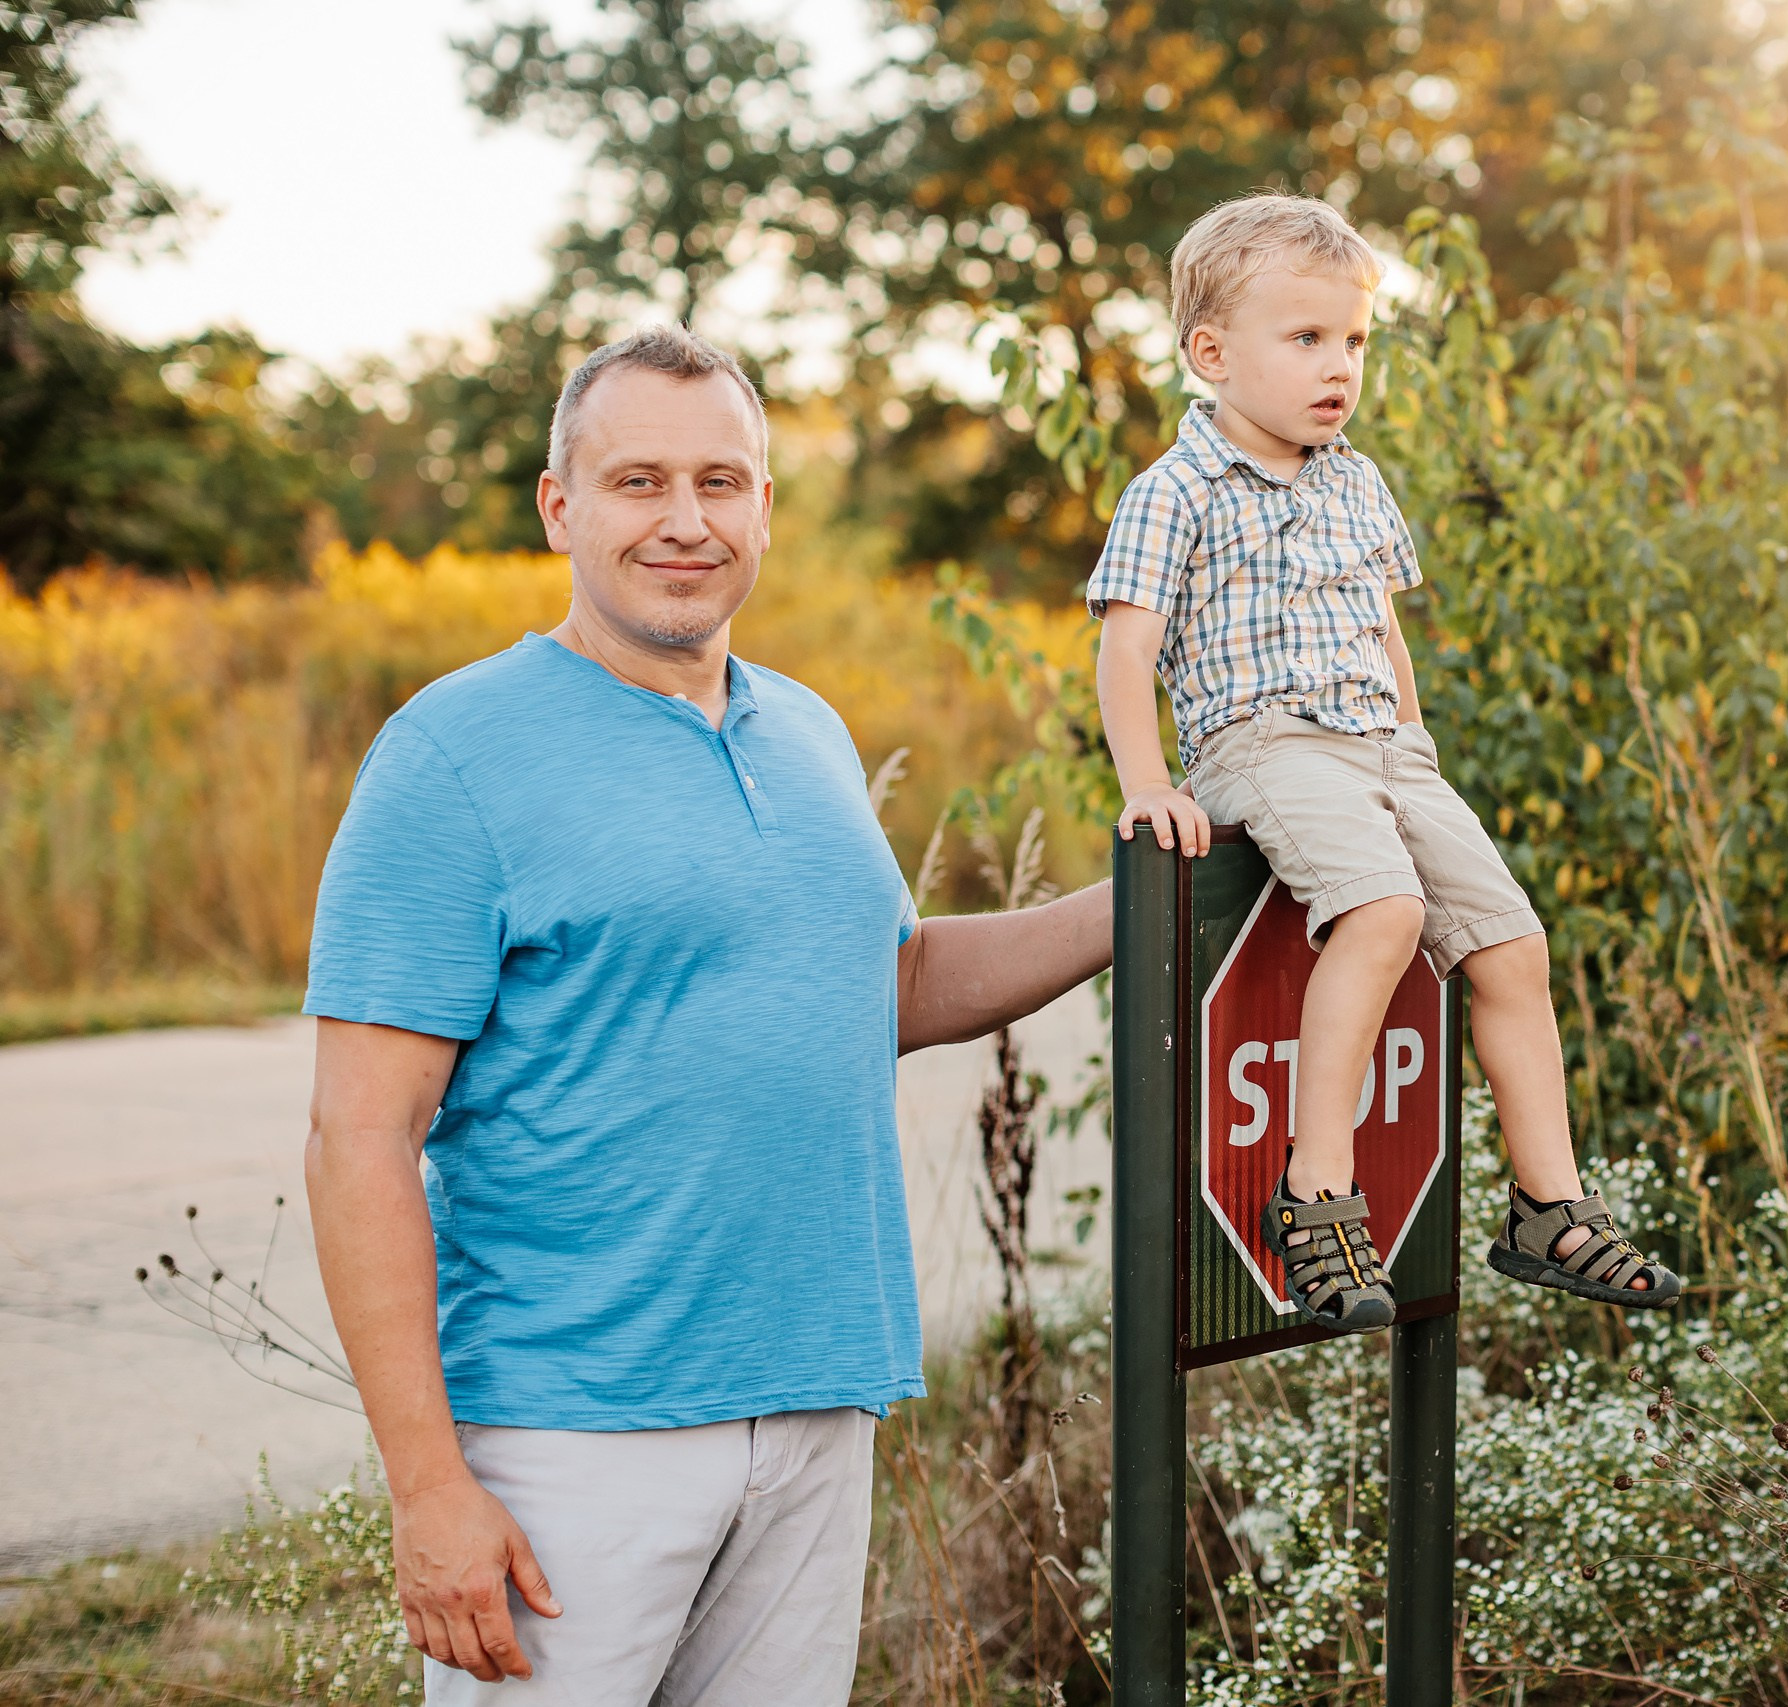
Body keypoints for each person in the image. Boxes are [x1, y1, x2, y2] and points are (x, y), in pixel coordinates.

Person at [302, 326, 1111, 1704]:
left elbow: (890, 983)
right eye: (639, 482)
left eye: (722, 482)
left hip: (816, 1398)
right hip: (574, 1430)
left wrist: (1150, 901)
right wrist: (430, 1484)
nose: (686, 521)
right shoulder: (451, 752)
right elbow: (359, 1137)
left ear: (766, 509)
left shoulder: (805, 727)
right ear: (561, 506)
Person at [1087, 193, 1681, 1335]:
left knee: (1512, 944)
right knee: (1383, 913)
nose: (1339, 366)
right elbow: (1127, 647)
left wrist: (1414, 737)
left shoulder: (1356, 479)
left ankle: (1548, 1210)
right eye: (1305, 339)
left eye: (1353, 341)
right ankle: (1314, 1193)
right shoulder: (1174, 493)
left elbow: (1380, 619)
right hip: (1259, 742)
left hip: (1383, 750)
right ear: (1210, 353)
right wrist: (1145, 783)